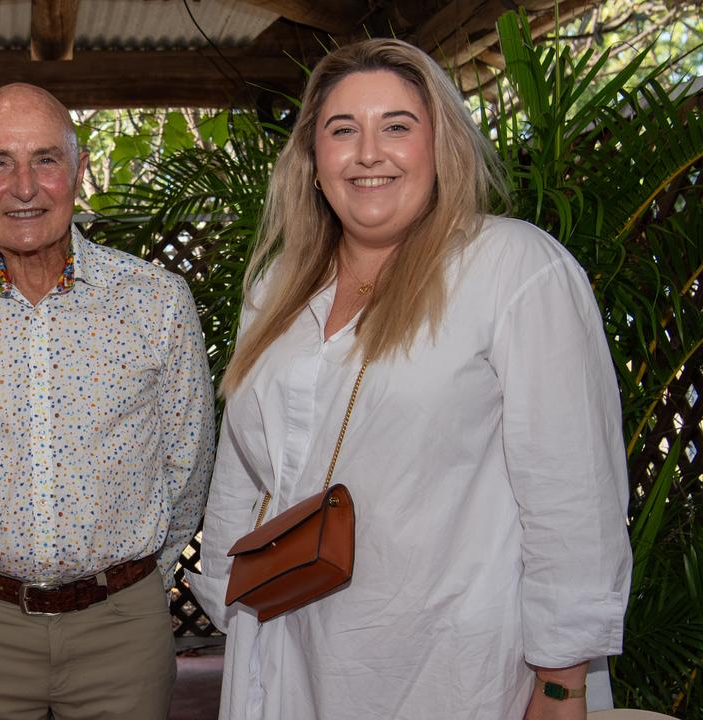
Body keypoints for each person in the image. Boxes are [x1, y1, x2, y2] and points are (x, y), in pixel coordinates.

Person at [187, 38, 632, 720]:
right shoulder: (277, 285)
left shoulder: (513, 269)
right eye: (343, 130)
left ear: (439, 147)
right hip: (284, 640)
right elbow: (245, 467)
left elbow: (573, 495)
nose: (369, 152)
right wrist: (224, 586)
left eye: (397, 126)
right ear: (312, 161)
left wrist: (560, 682)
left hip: (449, 662)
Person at [0, 82, 215, 719]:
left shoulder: (157, 302)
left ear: (79, 171)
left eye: (46, 160)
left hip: (123, 630)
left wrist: (129, 591)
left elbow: (187, 466)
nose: (24, 187)